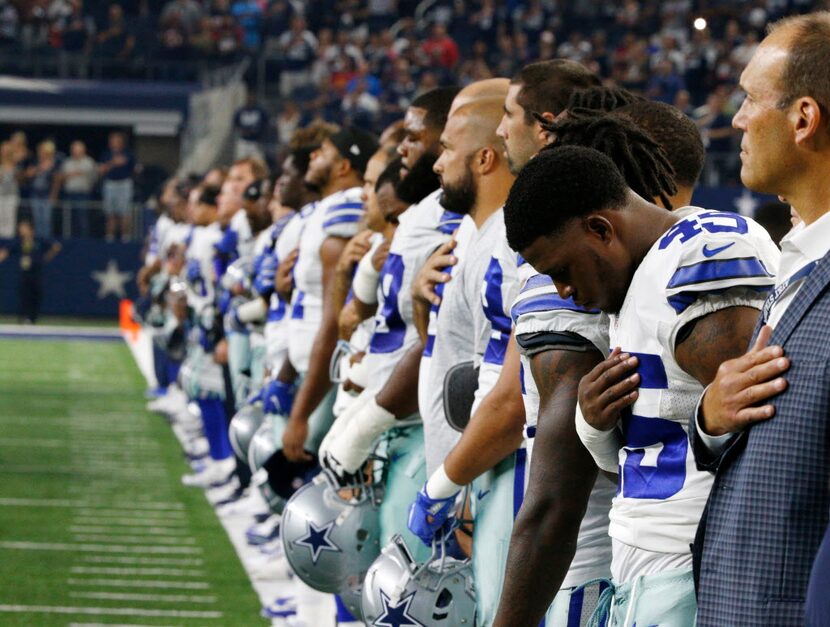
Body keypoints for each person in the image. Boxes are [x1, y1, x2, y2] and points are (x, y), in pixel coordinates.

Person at [503, 144, 779, 626]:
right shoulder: (639, 279)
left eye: (562, 272)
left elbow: (768, 429)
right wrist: (594, 428)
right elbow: (650, 463)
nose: (564, 292)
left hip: (701, 576)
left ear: (601, 228)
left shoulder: (702, 253)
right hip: (651, 580)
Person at [674, 12, 830, 626]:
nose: (736, 119)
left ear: (803, 118)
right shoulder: (797, 257)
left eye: (748, 99)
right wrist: (711, 417)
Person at [0, 219, 61, 323]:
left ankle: (33, 318)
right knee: (24, 295)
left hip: (37, 272)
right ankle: (23, 318)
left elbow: (56, 246)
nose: (21, 230)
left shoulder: (39, 240)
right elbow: (5, 252)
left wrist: (46, 257)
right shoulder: (19, 242)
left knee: (37, 294)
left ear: (30, 229)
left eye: (24, 228)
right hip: (25, 273)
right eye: (20, 228)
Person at [99, 132, 136, 242]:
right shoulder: (106, 155)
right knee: (110, 213)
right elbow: (101, 170)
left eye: (116, 140)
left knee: (124, 212)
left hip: (124, 184)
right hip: (110, 184)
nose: (114, 143)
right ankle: (110, 237)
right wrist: (113, 163)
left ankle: (125, 237)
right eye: (112, 140)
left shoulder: (128, 153)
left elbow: (135, 169)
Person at [59, 140, 97, 238]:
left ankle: (83, 240)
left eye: (78, 150)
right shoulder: (67, 162)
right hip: (69, 194)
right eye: (74, 149)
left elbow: (91, 175)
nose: (76, 152)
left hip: (83, 194)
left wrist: (74, 173)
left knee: (82, 218)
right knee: (69, 219)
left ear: (83, 150)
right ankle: (69, 239)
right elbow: (62, 177)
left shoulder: (88, 161)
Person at [24, 140, 60, 239]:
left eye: (43, 151)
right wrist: (36, 170)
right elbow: (27, 175)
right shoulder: (35, 162)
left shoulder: (54, 164)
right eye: (39, 151)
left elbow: (56, 181)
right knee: (37, 219)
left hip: (47, 195)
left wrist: (54, 195)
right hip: (35, 194)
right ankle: (38, 239)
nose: (41, 153)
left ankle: (46, 240)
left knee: (46, 219)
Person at [0, 140, 18, 238]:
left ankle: (8, 239)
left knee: (10, 217)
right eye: (3, 150)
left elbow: (18, 178)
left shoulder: (15, 164)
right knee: (0, 216)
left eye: (7, 150)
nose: (5, 152)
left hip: (11, 194)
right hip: (0, 194)